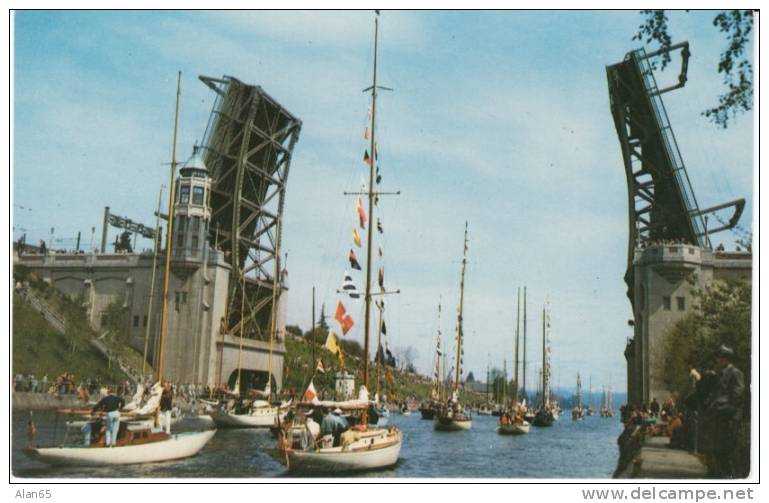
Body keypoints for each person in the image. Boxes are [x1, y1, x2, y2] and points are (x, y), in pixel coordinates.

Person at [708, 345, 745, 478]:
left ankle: (734, 477)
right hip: (721, 416)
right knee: (720, 448)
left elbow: (738, 394)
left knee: (730, 448)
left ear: (726, 359)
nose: (718, 360)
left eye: (720, 357)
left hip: (730, 417)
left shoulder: (735, 373)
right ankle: (723, 474)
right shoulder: (722, 373)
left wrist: (725, 408)